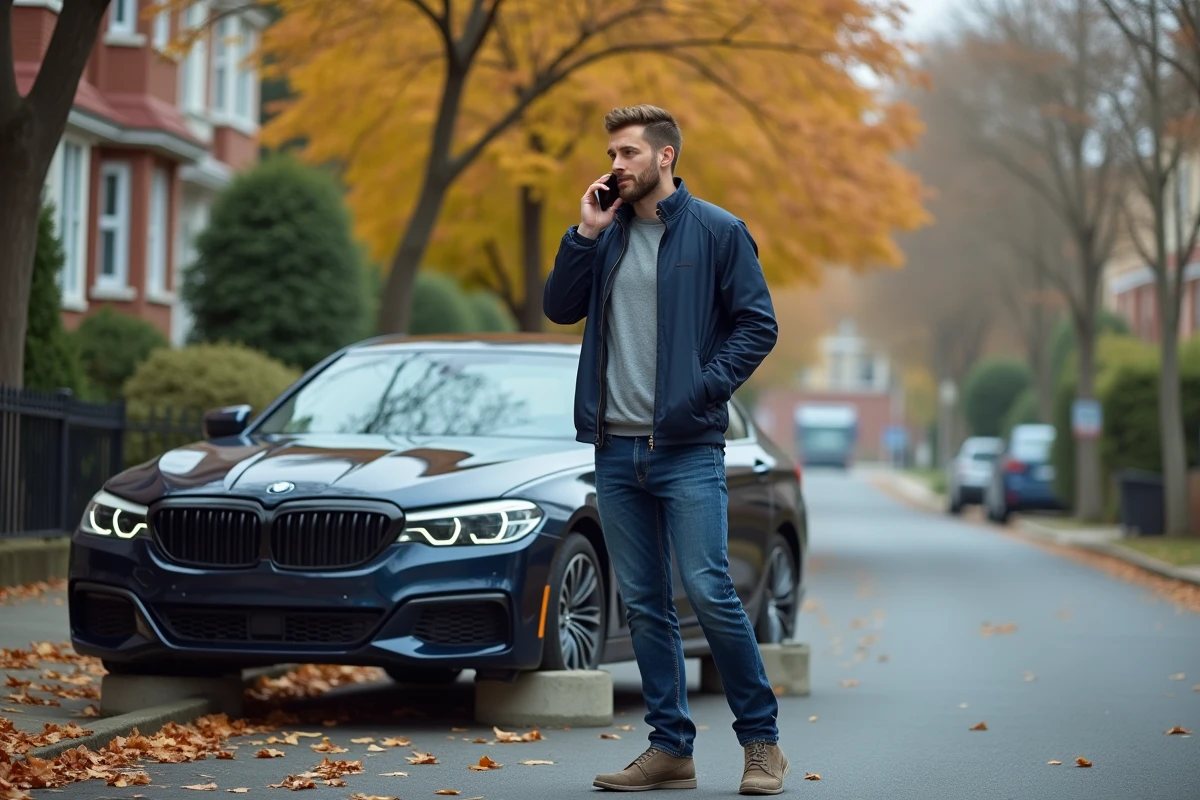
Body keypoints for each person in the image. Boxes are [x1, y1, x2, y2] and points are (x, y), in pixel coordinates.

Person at [542, 104, 787, 795]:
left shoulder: (718, 231)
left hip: (686, 448)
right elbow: (559, 308)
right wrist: (583, 235)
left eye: (628, 153)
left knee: (709, 591)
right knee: (646, 603)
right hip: (615, 450)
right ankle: (670, 748)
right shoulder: (605, 234)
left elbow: (758, 325)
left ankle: (762, 745)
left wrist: (701, 390)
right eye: (612, 155)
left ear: (665, 156)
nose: (616, 165)